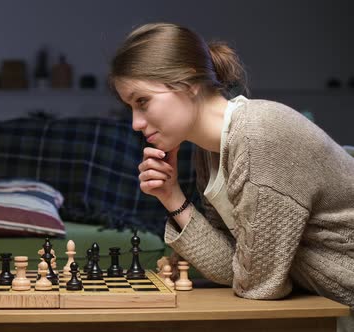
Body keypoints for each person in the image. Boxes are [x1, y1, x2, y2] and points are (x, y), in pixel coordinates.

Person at [109, 22, 354, 327]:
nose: (135, 123)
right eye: (130, 107)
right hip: (327, 300)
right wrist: (171, 197)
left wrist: (249, 274)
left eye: (142, 101)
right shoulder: (210, 151)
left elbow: (258, 286)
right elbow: (237, 269)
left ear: (187, 82)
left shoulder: (258, 135)